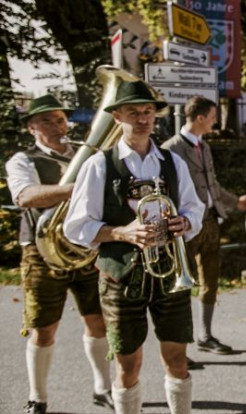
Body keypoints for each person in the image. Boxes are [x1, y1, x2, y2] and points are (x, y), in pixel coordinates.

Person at [63, 80, 205, 414]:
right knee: (128, 364)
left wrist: (185, 223)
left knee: (177, 359)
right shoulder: (99, 164)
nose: (142, 119)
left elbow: (195, 208)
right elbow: (75, 226)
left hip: (169, 272)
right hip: (121, 277)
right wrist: (121, 233)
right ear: (117, 117)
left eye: (147, 111)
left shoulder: (173, 162)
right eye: (133, 112)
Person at [5, 95, 113, 414]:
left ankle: (103, 388)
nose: (57, 126)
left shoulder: (88, 157)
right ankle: (37, 397)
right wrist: (78, 189)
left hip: (88, 249)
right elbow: (26, 197)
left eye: (61, 120)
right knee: (43, 328)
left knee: (98, 322)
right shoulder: (23, 160)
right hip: (41, 253)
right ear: (31, 128)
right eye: (47, 121)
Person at [162, 96, 246, 356]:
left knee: (210, 280)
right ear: (200, 118)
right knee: (181, 285)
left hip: (210, 221)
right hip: (186, 225)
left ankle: (205, 335)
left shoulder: (205, 146)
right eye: (213, 117)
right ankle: (179, 346)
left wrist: (236, 202)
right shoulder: (171, 149)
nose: (215, 121)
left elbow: (213, 187)